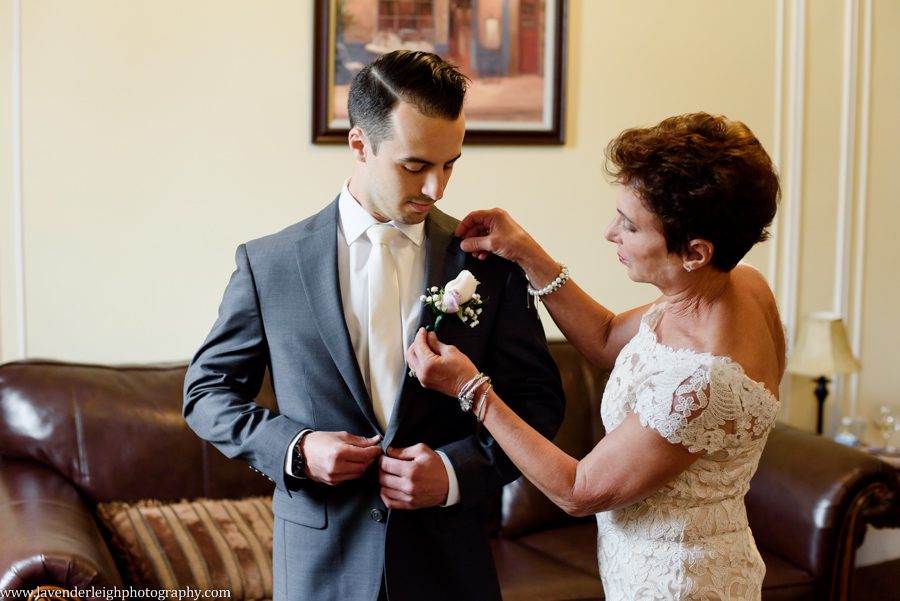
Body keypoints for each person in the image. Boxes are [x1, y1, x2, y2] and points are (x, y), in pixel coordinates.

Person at [182, 50, 565, 601]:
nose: (437, 188)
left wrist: (456, 473)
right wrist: (297, 448)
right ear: (359, 144)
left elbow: (540, 402)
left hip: (449, 566)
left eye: (450, 163)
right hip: (321, 566)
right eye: (415, 166)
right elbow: (206, 393)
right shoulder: (269, 264)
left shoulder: (488, 264)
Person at [407, 112, 784, 600]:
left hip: (676, 585)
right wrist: (526, 252)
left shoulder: (699, 383)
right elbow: (607, 339)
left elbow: (578, 490)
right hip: (685, 560)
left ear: (694, 252)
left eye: (629, 225)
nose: (611, 232)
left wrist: (472, 389)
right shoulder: (739, 285)